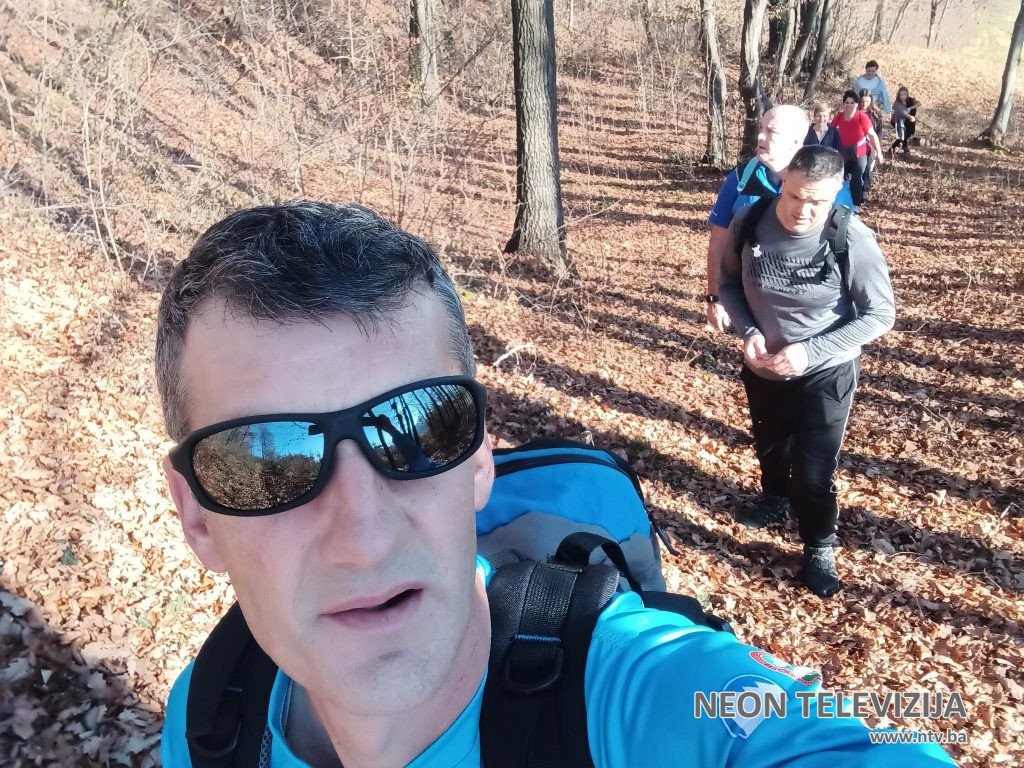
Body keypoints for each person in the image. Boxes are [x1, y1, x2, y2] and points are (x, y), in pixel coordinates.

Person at [156, 202, 953, 767]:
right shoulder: (210, 710)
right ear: (195, 516)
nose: (363, 534)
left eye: (419, 429)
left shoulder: (633, 694)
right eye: (265, 463)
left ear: (479, 460)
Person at [718, 146, 896, 598]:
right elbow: (729, 285)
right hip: (763, 367)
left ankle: (819, 545)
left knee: (814, 470)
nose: (803, 209)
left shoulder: (850, 237)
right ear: (783, 183)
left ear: (836, 194)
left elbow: (880, 315)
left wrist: (810, 351)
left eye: (817, 201)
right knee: (771, 446)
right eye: (795, 195)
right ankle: (775, 498)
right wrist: (749, 331)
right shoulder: (750, 221)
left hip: (827, 372)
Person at [706, 106, 853, 332]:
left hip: (810, 316)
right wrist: (715, 297)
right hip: (751, 309)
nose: (760, 136)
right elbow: (718, 243)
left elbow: (847, 245)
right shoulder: (741, 177)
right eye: (761, 128)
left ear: (796, 142)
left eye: (771, 131)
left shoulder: (828, 185)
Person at [832, 90, 884, 206]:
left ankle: (856, 203)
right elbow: (830, 131)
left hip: (860, 151)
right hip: (843, 151)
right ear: (843, 104)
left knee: (858, 175)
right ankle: (842, 203)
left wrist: (879, 152)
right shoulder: (839, 117)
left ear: (856, 104)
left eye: (852, 103)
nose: (849, 105)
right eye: (847, 103)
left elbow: (872, 135)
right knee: (842, 176)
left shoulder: (861, 117)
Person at [857, 90, 884, 193]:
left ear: (871, 101)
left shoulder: (875, 114)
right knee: (858, 167)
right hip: (857, 143)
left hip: (871, 144)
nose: (864, 104)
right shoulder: (854, 112)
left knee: (868, 167)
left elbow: (879, 132)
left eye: (867, 102)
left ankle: (865, 189)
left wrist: (877, 147)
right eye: (862, 101)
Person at [890, 86, 921, 156]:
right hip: (897, 120)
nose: (903, 96)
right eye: (901, 95)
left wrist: (910, 108)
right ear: (899, 95)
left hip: (907, 120)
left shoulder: (910, 100)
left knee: (908, 133)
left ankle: (901, 146)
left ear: (907, 94)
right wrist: (910, 116)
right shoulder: (897, 103)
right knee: (903, 134)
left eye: (905, 94)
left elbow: (919, 103)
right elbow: (902, 113)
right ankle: (897, 147)